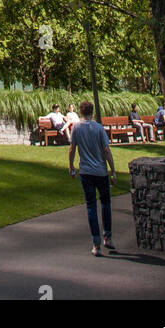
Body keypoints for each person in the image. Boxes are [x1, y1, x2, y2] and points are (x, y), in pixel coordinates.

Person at [68, 99, 117, 255]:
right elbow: (106, 150)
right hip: (100, 171)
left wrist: (71, 166)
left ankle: (96, 244)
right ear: (92, 111)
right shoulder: (98, 128)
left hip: (86, 172)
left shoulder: (76, 128)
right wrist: (113, 170)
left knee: (91, 207)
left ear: (81, 112)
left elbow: (72, 149)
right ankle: (107, 237)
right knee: (105, 203)